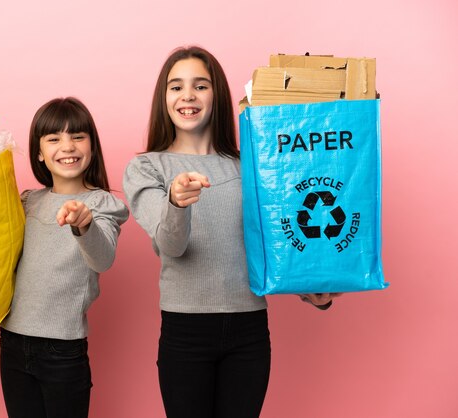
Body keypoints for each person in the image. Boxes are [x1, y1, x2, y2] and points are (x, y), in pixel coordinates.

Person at [123, 46, 339, 418]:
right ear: (164, 99)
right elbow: (171, 246)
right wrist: (176, 202)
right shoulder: (147, 167)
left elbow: (277, 240)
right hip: (185, 332)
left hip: (249, 330)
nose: (187, 95)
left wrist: (310, 290)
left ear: (217, 95)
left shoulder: (254, 165)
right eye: (176, 87)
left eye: (200, 86)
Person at [0, 97, 129, 418]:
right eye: (54, 138)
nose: (67, 146)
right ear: (39, 153)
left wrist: (83, 223)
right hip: (12, 342)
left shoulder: (102, 204)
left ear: (93, 146)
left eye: (78, 136)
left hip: (63, 349)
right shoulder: (28, 201)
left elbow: (103, 259)